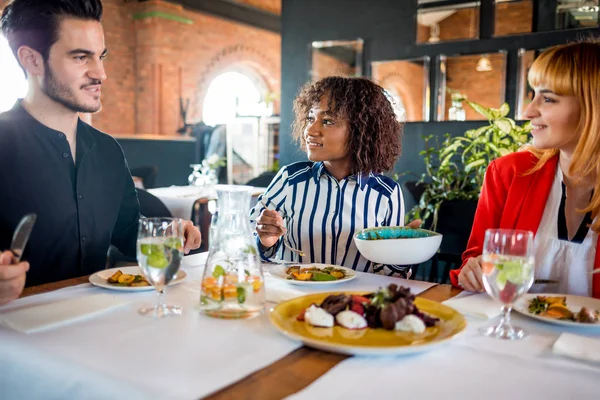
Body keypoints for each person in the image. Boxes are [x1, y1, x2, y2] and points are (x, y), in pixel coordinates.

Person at [0, 0, 201, 305]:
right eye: (81, 57)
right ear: (31, 60)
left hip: (101, 324)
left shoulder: (107, 150)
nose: (101, 73)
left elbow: (126, 230)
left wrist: (164, 236)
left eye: (101, 56)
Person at [450, 39, 600, 298]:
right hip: (513, 331)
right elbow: (476, 259)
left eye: (548, 99)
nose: (528, 111)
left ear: (593, 108)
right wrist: (472, 270)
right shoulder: (508, 173)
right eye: (533, 95)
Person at [250, 76, 419, 276]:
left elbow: (390, 276)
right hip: (294, 298)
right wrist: (264, 240)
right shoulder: (290, 179)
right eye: (311, 118)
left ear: (361, 131)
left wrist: (401, 254)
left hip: (353, 303)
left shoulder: (387, 194)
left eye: (328, 121)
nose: (310, 130)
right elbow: (245, 247)